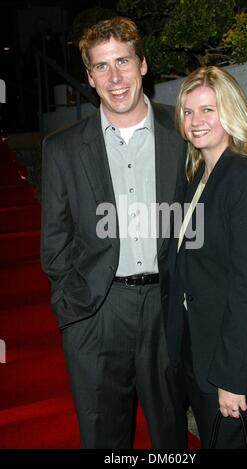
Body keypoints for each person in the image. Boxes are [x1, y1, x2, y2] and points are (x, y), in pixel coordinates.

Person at [40, 17, 187, 449]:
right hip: (97, 311)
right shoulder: (62, 148)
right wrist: (76, 312)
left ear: (143, 64)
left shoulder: (183, 132)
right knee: (104, 437)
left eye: (123, 61)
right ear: (89, 76)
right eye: (102, 67)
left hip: (167, 306)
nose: (115, 77)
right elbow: (55, 241)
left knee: (171, 435)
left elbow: (218, 208)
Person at [167, 65, 247, 449]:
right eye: (189, 112)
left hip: (244, 367)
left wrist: (232, 378)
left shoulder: (246, 177)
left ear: (232, 112)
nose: (196, 121)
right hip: (207, 354)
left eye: (209, 109)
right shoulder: (200, 177)